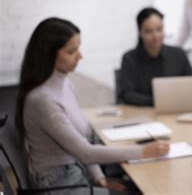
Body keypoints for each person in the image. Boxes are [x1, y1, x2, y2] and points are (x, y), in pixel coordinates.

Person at [15, 17, 170, 194]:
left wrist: (99, 178)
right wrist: (144, 151)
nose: (80, 56)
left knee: (136, 187)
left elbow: (84, 140)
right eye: (72, 51)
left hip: (76, 171)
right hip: (58, 184)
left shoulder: (65, 84)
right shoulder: (42, 100)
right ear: (49, 55)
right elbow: (85, 152)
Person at [119, 7, 192, 106]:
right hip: (142, 114)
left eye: (159, 29)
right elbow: (126, 94)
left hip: (175, 112)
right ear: (140, 33)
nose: (156, 36)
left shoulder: (179, 55)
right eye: (149, 31)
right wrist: (157, 101)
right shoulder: (129, 59)